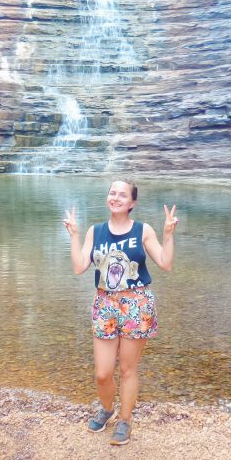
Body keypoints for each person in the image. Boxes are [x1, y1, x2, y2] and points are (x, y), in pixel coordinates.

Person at [62, 179, 178, 446]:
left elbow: (165, 263)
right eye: (112, 193)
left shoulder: (143, 230)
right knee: (102, 373)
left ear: (132, 203)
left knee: (127, 369)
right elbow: (80, 267)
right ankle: (107, 409)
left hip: (137, 304)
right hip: (104, 303)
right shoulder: (96, 231)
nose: (115, 197)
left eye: (122, 195)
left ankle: (125, 420)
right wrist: (75, 235)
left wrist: (168, 234)